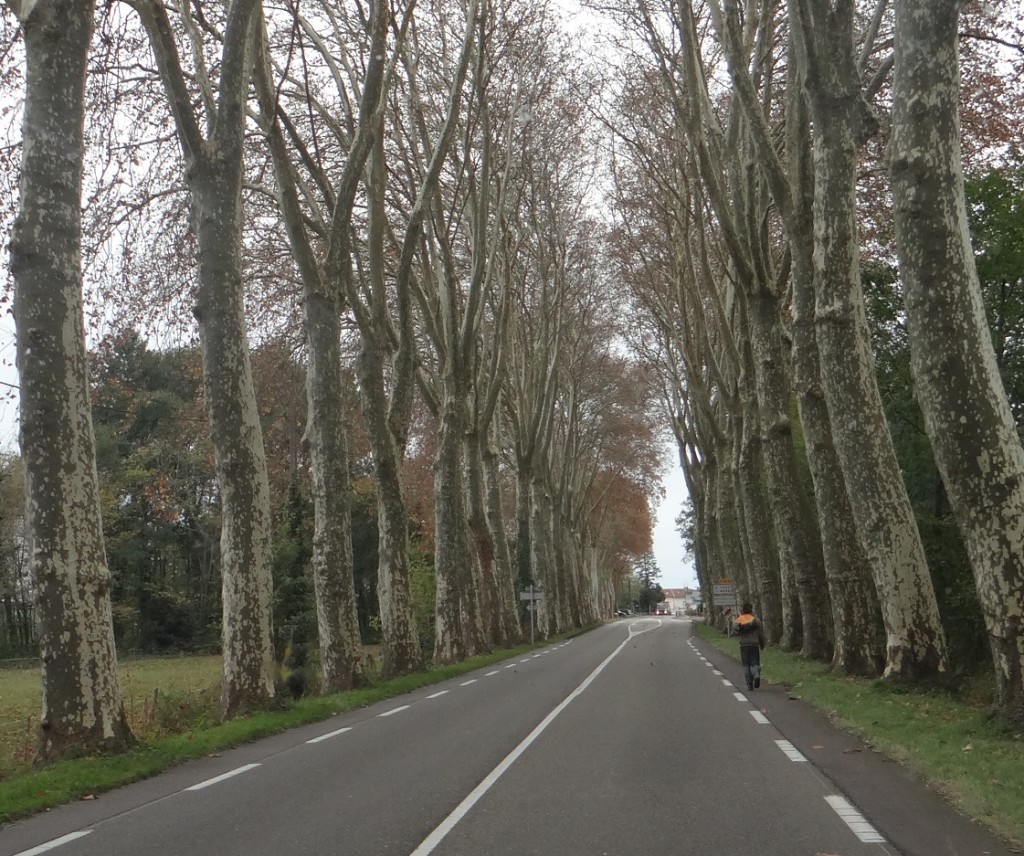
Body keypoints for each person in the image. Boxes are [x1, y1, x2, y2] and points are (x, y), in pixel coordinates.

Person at [732, 602, 766, 690]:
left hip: (743, 645)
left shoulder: (739, 620)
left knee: (746, 665)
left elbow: (735, 631)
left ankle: (749, 685)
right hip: (754, 645)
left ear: (743, 610)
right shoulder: (756, 620)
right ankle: (756, 674)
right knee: (755, 662)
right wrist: (762, 644)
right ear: (751, 609)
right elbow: (761, 634)